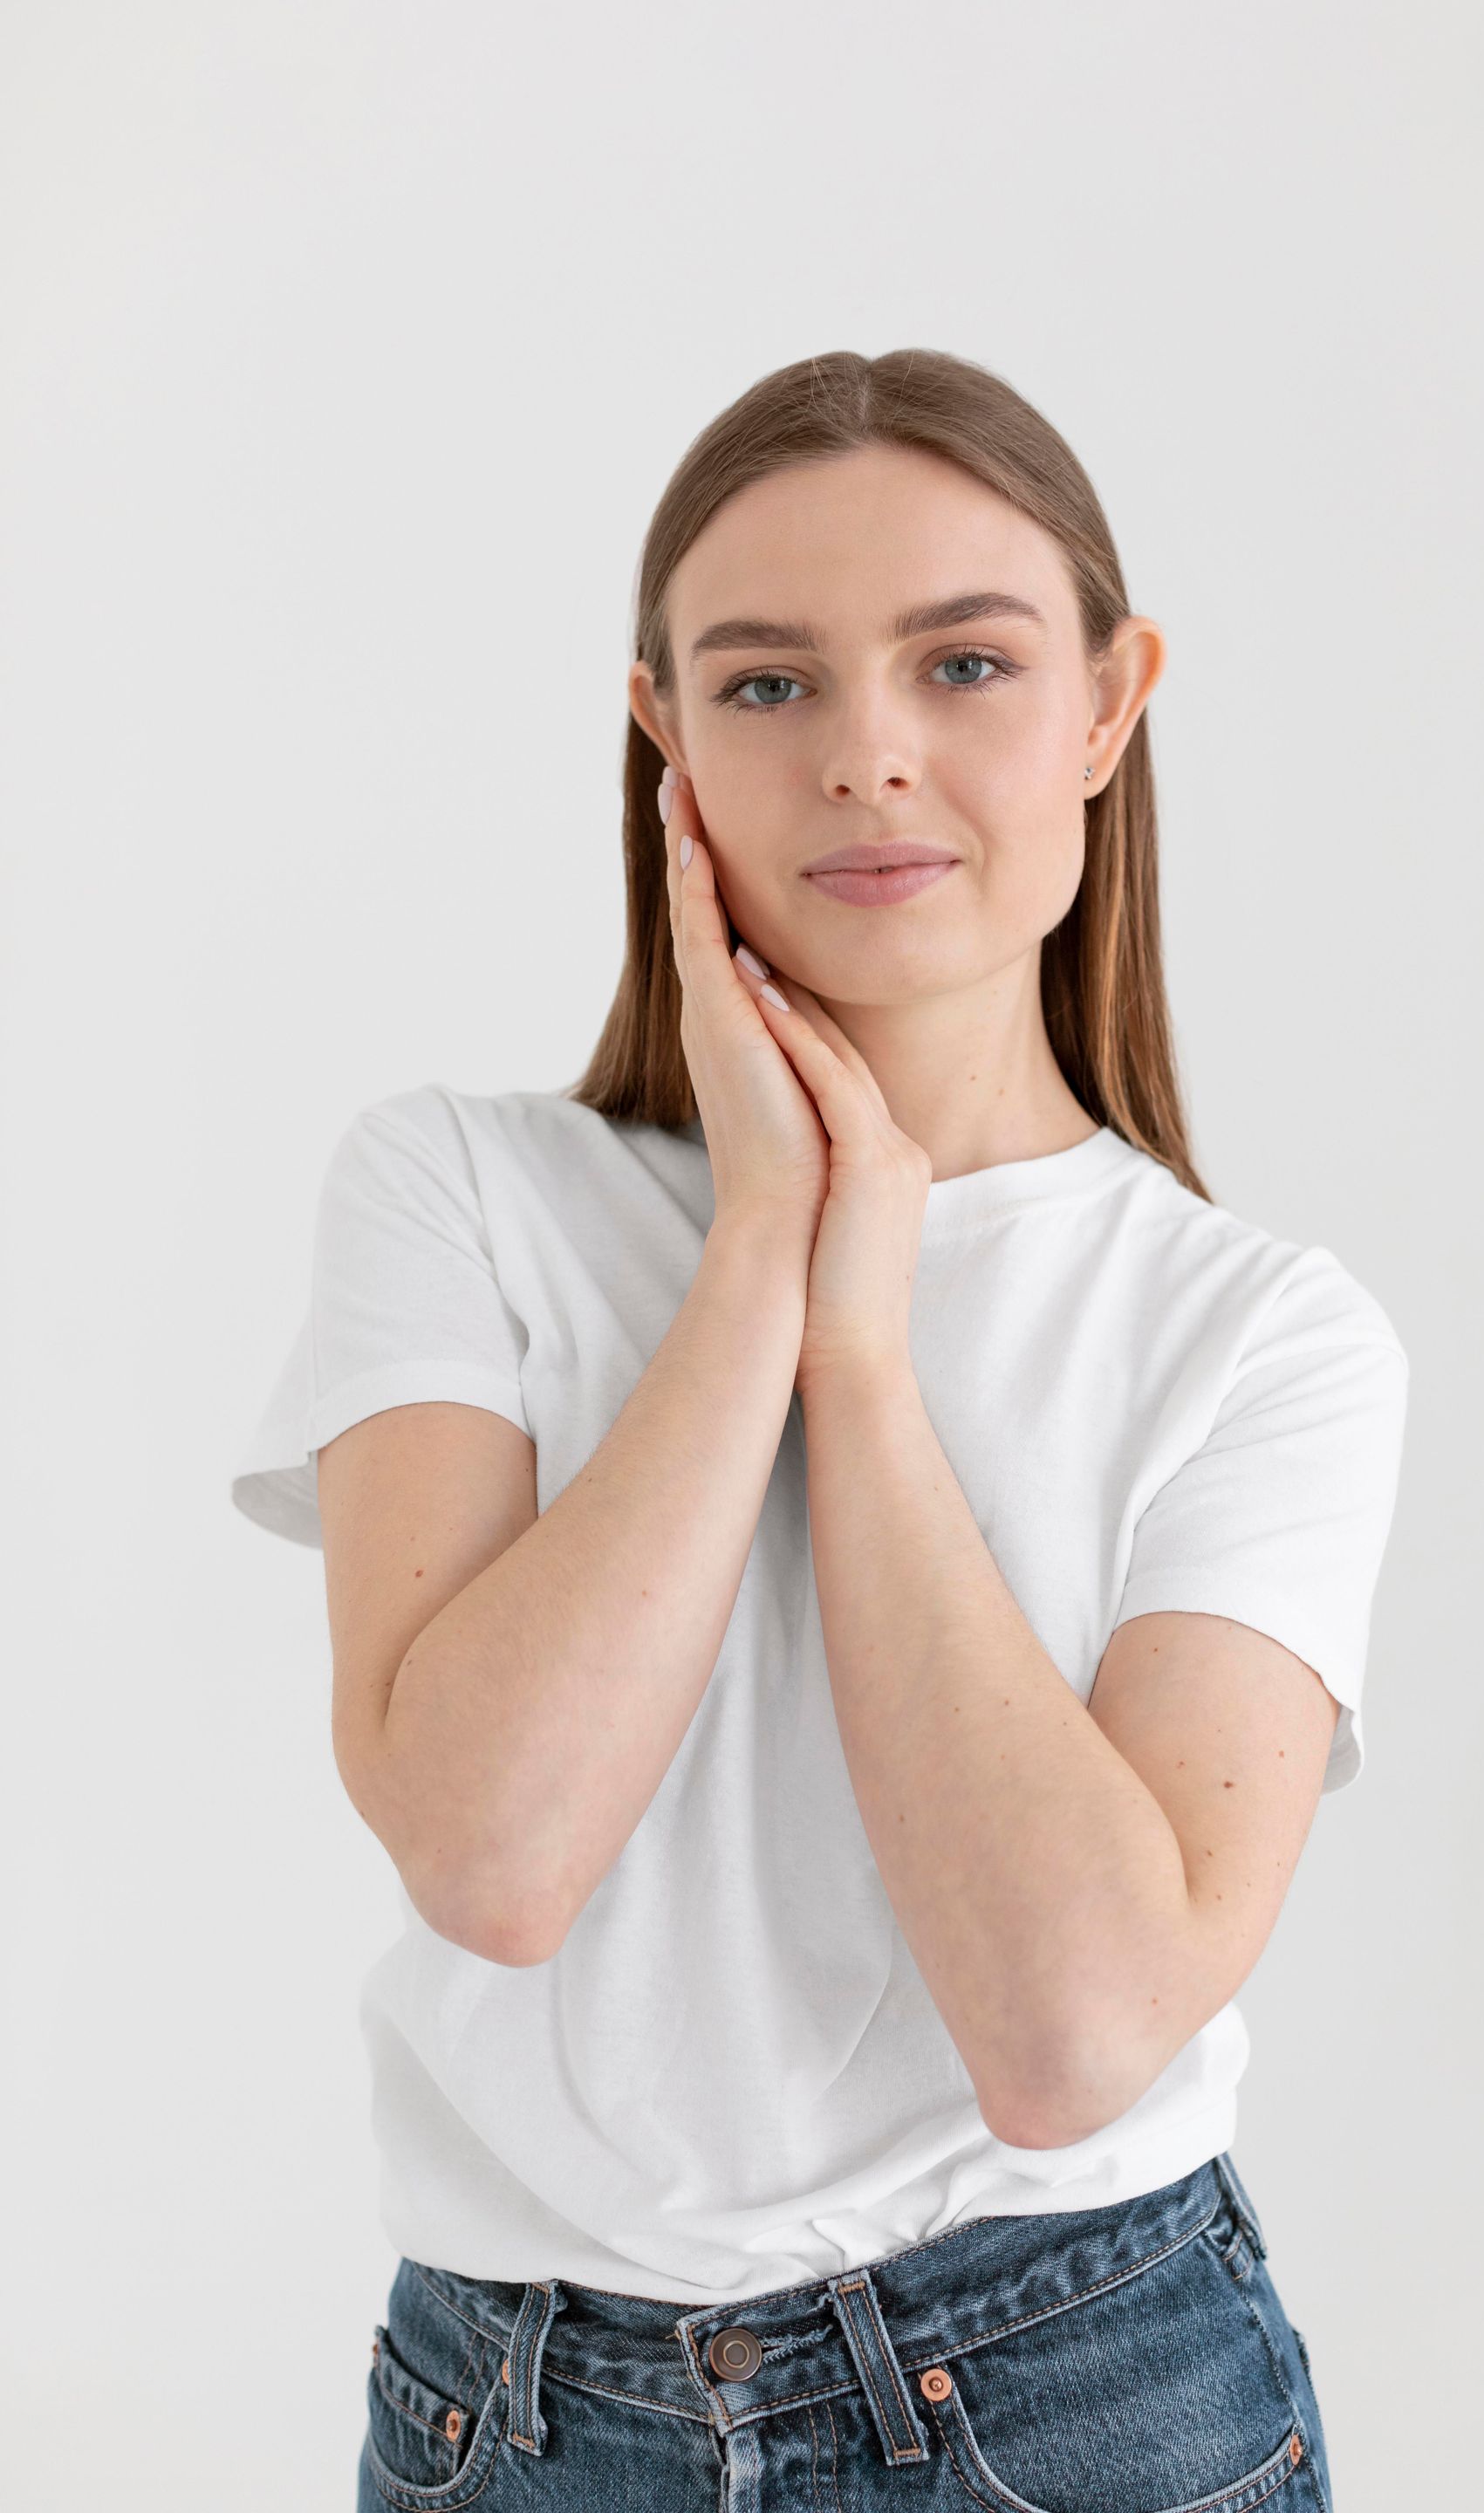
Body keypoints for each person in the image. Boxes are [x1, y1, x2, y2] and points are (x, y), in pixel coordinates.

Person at [231, 347, 1407, 2512]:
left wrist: (860, 1360)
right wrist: (764, 1233)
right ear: (661, 733)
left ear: (1109, 704)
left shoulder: (1264, 1339)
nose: (871, 754)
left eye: (965, 663)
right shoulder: (462, 1193)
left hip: (1076, 2402)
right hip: (519, 2413)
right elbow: (490, 1856)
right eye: (767, 687)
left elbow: (1070, 2040)